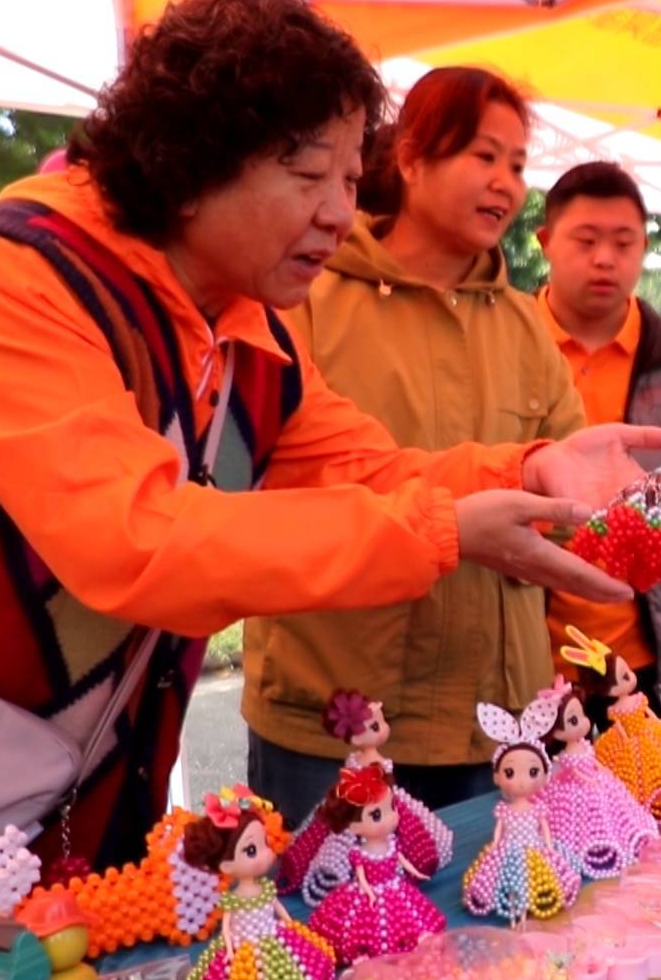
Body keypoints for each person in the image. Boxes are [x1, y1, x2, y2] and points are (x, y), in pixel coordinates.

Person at [0, 0, 661, 960]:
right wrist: (444, 532)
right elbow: (138, 538)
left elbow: (368, 472)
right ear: (192, 163)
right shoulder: (5, 281)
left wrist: (533, 463)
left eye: (349, 177)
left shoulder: (245, 332)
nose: (342, 214)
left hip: (87, 840)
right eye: (309, 176)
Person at [243, 66, 590, 819]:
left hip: (494, 725)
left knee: (507, 928)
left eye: (519, 164)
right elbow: (278, 491)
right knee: (329, 930)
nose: (505, 181)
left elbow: (567, 494)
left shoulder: (526, 325)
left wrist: (583, 502)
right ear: (410, 158)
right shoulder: (308, 298)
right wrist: (461, 526)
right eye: (483, 155)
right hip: (337, 721)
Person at [533, 162, 661, 717]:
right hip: (533, 665)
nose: (605, 258)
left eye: (624, 243)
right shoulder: (505, 351)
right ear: (546, 242)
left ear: (644, 247)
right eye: (586, 240)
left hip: (649, 660)